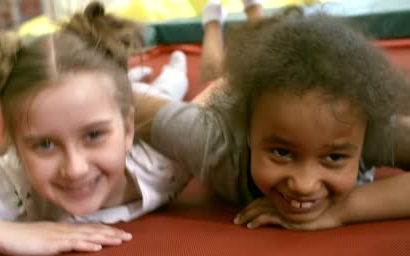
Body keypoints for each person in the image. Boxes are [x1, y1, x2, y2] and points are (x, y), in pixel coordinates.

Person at [134, 0, 410, 231]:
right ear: (249, 134)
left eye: (334, 157)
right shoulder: (214, 145)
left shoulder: (370, 129)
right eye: (282, 152)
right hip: (224, 94)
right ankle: (212, 23)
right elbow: (126, 102)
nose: (304, 185)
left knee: (270, 42)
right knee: (212, 76)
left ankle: (255, 10)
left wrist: (344, 210)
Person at [0, 2, 190, 256]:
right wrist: (2, 233)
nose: (75, 169)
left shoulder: (166, 163)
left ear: (127, 130)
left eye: (94, 135)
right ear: (17, 147)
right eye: (45, 144)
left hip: (150, 111)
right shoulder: (16, 188)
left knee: (167, 91)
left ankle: (173, 71)